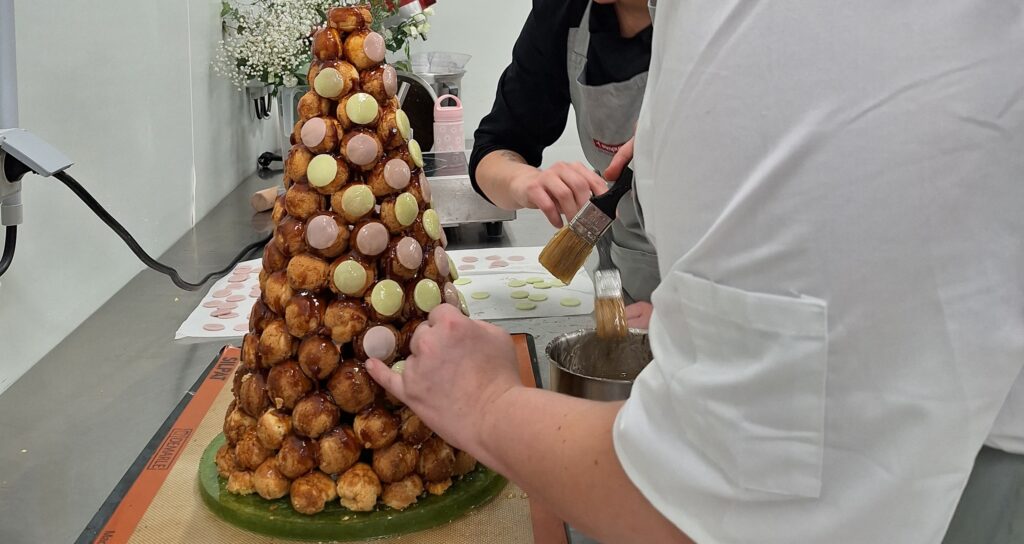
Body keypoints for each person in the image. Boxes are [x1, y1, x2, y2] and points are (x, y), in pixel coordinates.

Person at [368, 1, 1024, 542]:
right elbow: (496, 149)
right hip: (638, 293)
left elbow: (719, 494)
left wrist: (487, 403)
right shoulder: (577, 16)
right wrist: (530, 182)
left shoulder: (773, 34)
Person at [469, 0, 659, 326]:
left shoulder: (727, 19)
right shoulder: (565, 11)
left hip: (735, 292)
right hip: (632, 290)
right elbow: (494, 149)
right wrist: (522, 181)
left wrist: (701, 311)